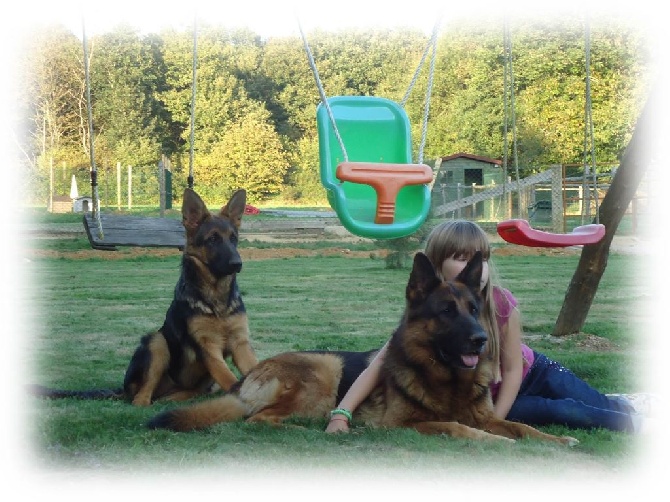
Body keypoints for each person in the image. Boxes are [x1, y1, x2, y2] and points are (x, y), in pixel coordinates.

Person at [326, 219, 654, 434]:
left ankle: (636, 406)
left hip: (532, 370)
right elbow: (381, 364)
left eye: (481, 257)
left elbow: (512, 369)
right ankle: (635, 422)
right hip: (485, 397)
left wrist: (496, 419)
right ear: (438, 263)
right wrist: (342, 414)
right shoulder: (431, 312)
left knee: (591, 398)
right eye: (462, 258)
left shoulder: (499, 303)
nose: (476, 267)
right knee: (565, 411)